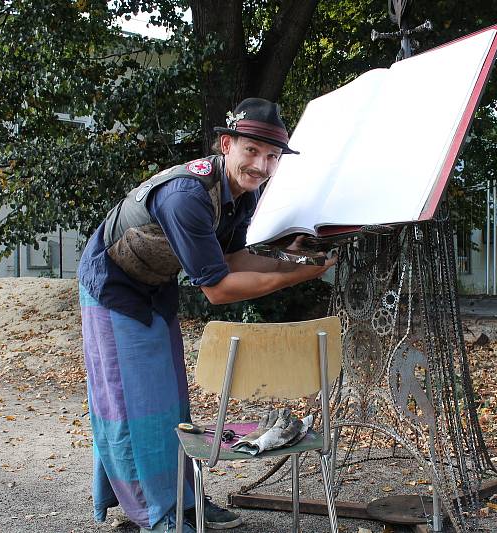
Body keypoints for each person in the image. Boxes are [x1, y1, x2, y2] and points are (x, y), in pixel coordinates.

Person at [77, 97, 336, 533]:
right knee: (133, 402)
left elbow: (233, 261)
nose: (261, 165)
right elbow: (217, 288)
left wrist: (295, 262)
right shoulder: (187, 196)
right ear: (226, 144)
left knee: (171, 402)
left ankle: (187, 501)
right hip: (114, 287)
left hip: (153, 285)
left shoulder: (239, 195)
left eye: (271, 156)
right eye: (251, 151)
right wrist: (299, 275)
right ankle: (154, 514)